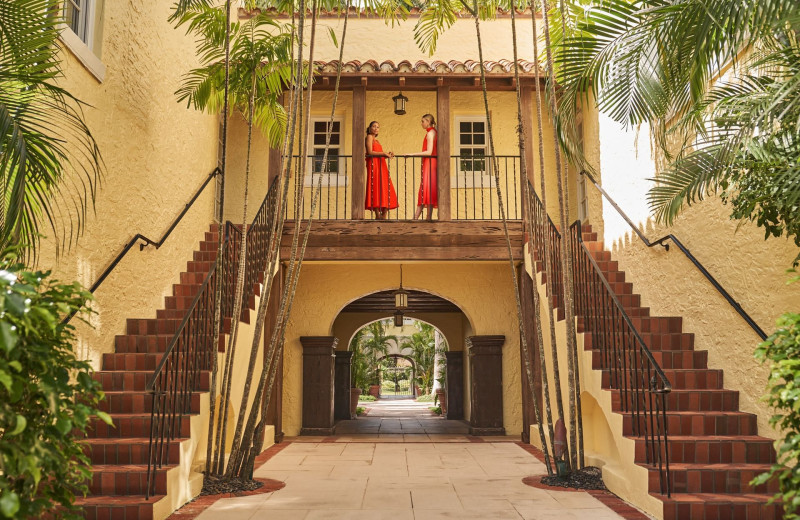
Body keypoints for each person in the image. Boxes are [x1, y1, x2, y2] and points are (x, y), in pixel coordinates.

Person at [364, 121, 398, 220]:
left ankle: (384, 214)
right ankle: (377, 214)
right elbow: (370, 152)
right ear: (369, 128)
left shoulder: (377, 141)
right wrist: (384, 153)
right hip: (373, 164)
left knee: (385, 186)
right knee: (374, 186)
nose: (376, 128)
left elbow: (379, 154)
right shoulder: (369, 137)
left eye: (378, 127)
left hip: (381, 164)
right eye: (374, 126)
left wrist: (388, 155)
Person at [407, 114, 437, 220]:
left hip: (430, 162)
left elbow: (429, 152)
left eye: (423, 121)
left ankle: (418, 217)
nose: (421, 123)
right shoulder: (434, 132)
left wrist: (412, 154)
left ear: (428, 121)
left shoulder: (430, 134)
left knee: (426, 188)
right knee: (429, 188)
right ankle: (426, 217)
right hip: (432, 163)